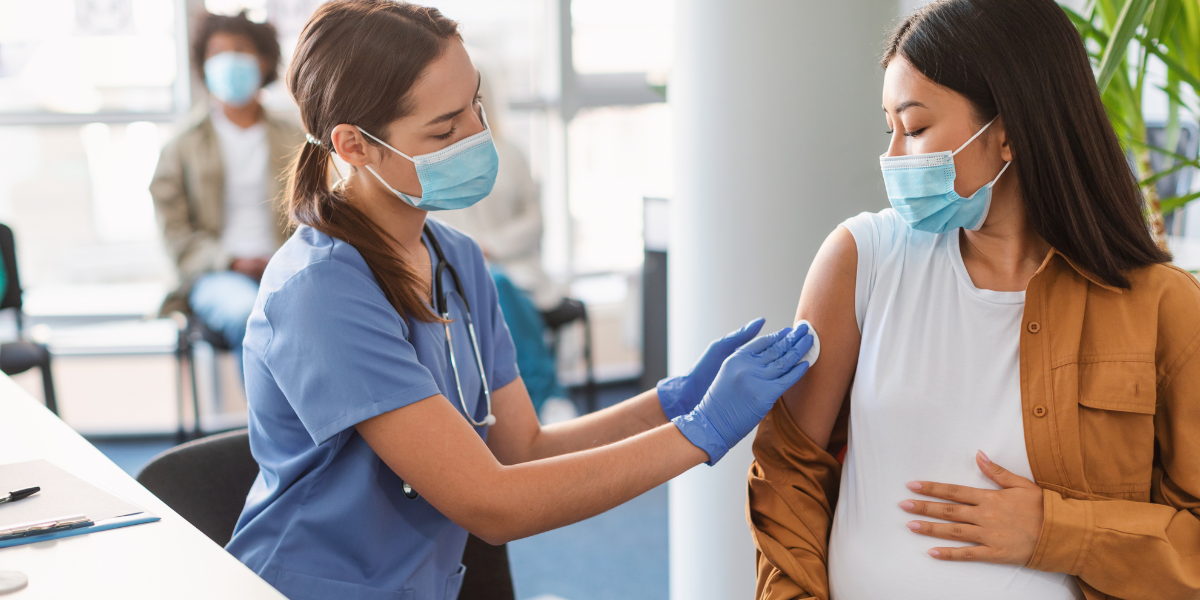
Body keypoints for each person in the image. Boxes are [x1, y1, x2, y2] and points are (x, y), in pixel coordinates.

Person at [224, 3, 815, 599]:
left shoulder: (456, 260)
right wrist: (703, 431)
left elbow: (522, 449)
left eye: (475, 106)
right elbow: (494, 503)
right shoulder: (319, 293)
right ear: (354, 144)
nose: (477, 136)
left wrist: (671, 401)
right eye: (445, 128)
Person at [747, 1, 1200, 599]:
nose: (893, 158)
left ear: (1009, 131)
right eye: (891, 130)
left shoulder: (1163, 307)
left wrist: (1054, 530)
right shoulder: (862, 260)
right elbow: (787, 474)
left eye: (915, 128)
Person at [150, 11, 304, 363]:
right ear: (202, 65)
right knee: (251, 317)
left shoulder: (294, 136)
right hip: (216, 274)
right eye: (216, 53)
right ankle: (273, 419)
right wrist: (232, 261)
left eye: (240, 49)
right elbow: (176, 236)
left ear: (264, 61)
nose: (228, 60)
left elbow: (320, 210)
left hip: (289, 266)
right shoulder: (181, 146)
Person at [435, 77, 575, 421]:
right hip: (465, 269)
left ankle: (542, 399)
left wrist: (491, 246)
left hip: (515, 264)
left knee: (503, 286)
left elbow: (534, 220)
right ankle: (538, 401)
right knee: (494, 285)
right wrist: (471, 250)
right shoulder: (433, 163)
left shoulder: (511, 152)